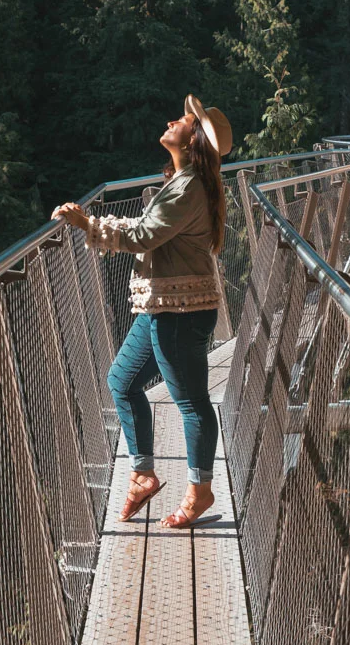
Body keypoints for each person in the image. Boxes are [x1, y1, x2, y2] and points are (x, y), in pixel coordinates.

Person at [52, 94, 232, 529]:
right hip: (164, 305)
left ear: (192, 142)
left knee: (190, 403)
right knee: (123, 380)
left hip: (180, 312)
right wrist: (94, 224)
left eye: (184, 121)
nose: (173, 120)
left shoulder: (188, 187)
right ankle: (143, 474)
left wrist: (90, 225)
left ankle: (199, 490)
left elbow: (144, 236)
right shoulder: (183, 182)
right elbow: (147, 231)